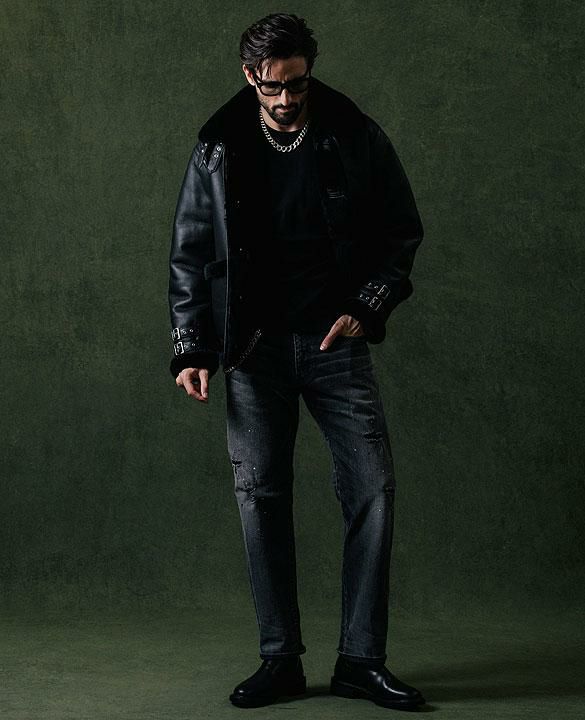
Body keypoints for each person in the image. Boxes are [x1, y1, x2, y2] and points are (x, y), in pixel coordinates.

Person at [167, 12, 426, 712]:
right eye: (272, 86)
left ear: (310, 71)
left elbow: (401, 229)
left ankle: (361, 662)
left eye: (297, 84)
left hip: (335, 345)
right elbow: (191, 251)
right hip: (253, 350)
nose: (285, 100)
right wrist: (192, 346)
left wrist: (368, 305)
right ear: (249, 75)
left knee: (372, 489)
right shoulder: (218, 145)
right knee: (261, 497)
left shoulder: (354, 133)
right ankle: (279, 659)